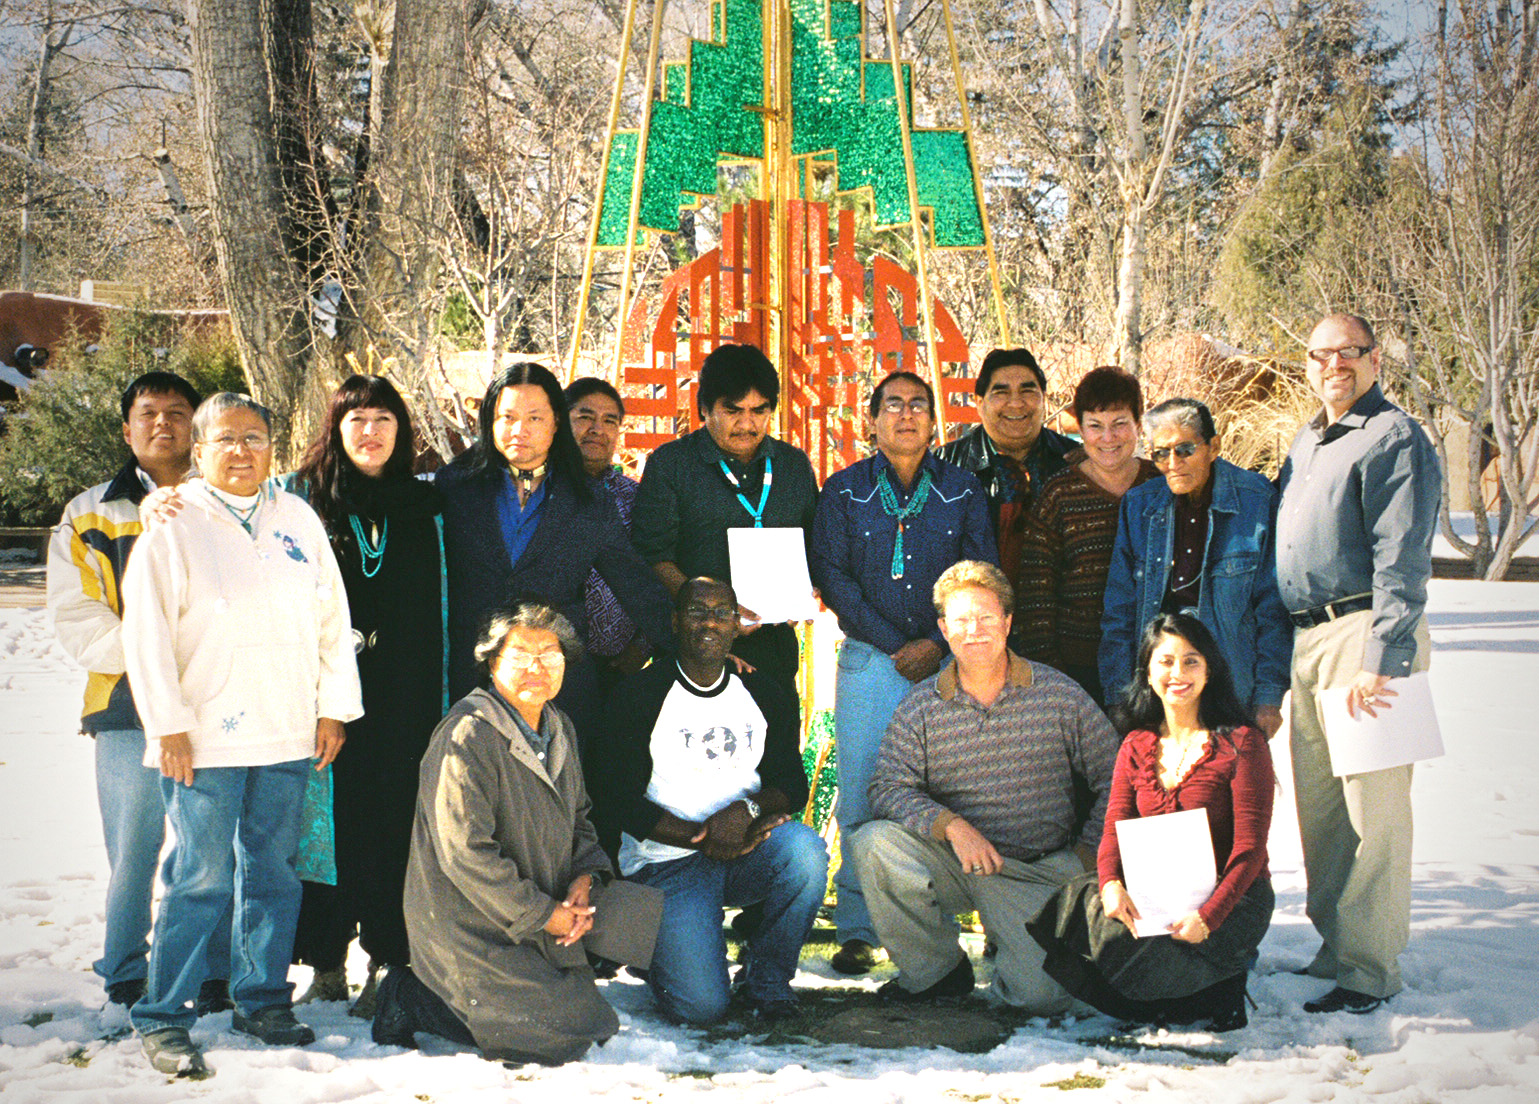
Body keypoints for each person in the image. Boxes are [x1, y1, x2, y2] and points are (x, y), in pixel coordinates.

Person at [121, 393, 363, 1076]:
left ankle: (261, 997)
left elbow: (330, 619)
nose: (241, 451)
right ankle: (164, 1015)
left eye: (253, 437)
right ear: (198, 451)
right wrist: (167, 725)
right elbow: (146, 635)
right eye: (225, 439)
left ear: (271, 446)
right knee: (199, 878)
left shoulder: (298, 519)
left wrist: (333, 709)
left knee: (274, 875)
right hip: (202, 739)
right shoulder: (174, 524)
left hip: (287, 732)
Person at [378, 603, 662, 1065]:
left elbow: (580, 821)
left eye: (550, 655)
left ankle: (542, 983)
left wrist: (584, 879)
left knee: (593, 1012)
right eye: (521, 654)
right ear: (492, 662)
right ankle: (410, 993)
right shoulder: (467, 735)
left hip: (538, 905)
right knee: (550, 1039)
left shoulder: (559, 727)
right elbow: (465, 855)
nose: (537, 667)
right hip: (472, 920)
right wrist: (545, 914)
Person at [45, 371, 233, 1015]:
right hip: (125, 707)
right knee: (135, 843)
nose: (163, 425)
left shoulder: (225, 503)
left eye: (178, 413)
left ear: (196, 426)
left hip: (219, 702)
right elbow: (77, 615)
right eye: (148, 413)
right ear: (127, 427)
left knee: (211, 842)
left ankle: (214, 972)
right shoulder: (90, 511)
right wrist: (155, 661)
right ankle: (126, 967)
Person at [851, 561, 1119, 1012]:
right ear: (943, 628)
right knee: (874, 843)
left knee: (1038, 998)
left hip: (1037, 870)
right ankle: (935, 974)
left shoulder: (1058, 694)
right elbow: (888, 787)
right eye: (960, 620)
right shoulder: (922, 705)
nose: (973, 631)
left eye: (986, 618)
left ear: (1008, 622)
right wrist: (951, 825)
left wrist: (1087, 853)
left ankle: (1017, 955)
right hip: (960, 864)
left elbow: (1116, 776)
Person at [1277, 313, 1439, 1015]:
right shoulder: (1308, 437)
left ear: (1375, 360)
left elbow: (1400, 556)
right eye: (1320, 354)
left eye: (1350, 353)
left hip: (1365, 634)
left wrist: (1385, 658)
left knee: (1373, 811)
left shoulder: (1393, 436)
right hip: (1307, 642)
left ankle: (1368, 968)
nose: (1333, 364)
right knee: (1321, 809)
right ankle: (1335, 941)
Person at [809, 371, 996, 975]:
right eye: (894, 405)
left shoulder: (962, 489)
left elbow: (978, 569)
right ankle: (858, 928)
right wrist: (896, 645)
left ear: (935, 420)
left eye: (919, 405)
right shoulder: (843, 491)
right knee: (862, 791)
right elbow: (833, 575)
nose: (907, 415)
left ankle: (937, 924)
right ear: (872, 420)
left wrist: (936, 644)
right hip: (872, 659)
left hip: (949, 661)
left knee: (949, 790)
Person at [595, 577, 828, 1024]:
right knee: (701, 1009)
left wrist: (746, 812)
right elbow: (615, 799)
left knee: (804, 853)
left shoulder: (762, 691)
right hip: (667, 862)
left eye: (723, 613)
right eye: (697, 612)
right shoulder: (641, 694)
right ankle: (655, 953)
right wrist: (702, 836)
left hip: (744, 849)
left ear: (737, 624)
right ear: (676, 621)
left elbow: (791, 783)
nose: (710, 623)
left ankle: (767, 980)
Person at [1028, 613, 1274, 1032]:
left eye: (1191, 661)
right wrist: (1110, 885)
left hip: (1231, 893)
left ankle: (1219, 989)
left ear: (1210, 669)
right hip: (1159, 884)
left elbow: (1249, 851)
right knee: (1090, 913)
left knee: (1177, 941)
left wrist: (1209, 917)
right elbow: (1113, 829)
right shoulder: (1136, 743)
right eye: (1165, 662)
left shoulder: (1241, 742)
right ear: (1147, 671)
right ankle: (1168, 1001)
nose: (1177, 674)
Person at [282, 375, 444, 1015]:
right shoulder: (301, 501)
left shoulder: (425, 505)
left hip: (404, 695)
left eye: (383, 419)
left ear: (401, 430)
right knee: (330, 827)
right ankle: (325, 959)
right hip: (326, 695)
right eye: (356, 420)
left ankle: (388, 958)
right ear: (335, 428)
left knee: (393, 830)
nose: (370, 432)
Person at [435, 362, 674, 738]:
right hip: (474, 675)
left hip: (558, 681)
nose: (519, 430)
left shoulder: (588, 500)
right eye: (507, 417)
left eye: (534, 418)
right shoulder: (456, 486)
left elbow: (637, 587)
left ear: (556, 423)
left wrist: (697, 650)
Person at [631, 344, 820, 692]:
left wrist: (804, 593)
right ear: (705, 409)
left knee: (775, 742)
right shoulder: (671, 465)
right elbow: (652, 555)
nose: (746, 424)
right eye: (733, 411)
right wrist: (717, 614)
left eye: (758, 411)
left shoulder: (793, 465)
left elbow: (816, 545)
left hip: (773, 649)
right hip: (691, 649)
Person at [1099, 398, 1292, 737]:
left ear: (1213, 446)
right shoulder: (1140, 506)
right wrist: (1121, 700)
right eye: (1160, 453)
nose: (1172, 463)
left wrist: (1268, 697)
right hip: (1161, 685)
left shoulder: (1256, 500)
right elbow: (1120, 611)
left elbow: (1272, 608)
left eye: (1184, 450)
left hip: (1232, 681)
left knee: (1231, 783)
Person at [1014, 366, 1160, 703]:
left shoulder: (1161, 487)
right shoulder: (1059, 495)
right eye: (1095, 426)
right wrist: (1051, 676)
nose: (1108, 439)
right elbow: (1036, 597)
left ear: (1139, 424)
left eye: (1120, 424)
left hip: (1158, 660)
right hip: (1079, 668)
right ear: (1080, 429)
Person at [937, 348, 1075, 593]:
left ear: (1043, 397)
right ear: (979, 402)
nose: (1016, 403)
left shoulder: (1074, 463)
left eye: (1027, 390)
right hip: (975, 620)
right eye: (1001, 392)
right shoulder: (942, 468)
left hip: (1060, 618)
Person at [565, 377, 650, 686]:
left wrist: (642, 647)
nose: (597, 429)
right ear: (561, 422)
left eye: (609, 421)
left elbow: (654, 571)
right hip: (550, 664)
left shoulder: (636, 498)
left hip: (619, 665)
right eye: (585, 418)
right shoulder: (541, 493)